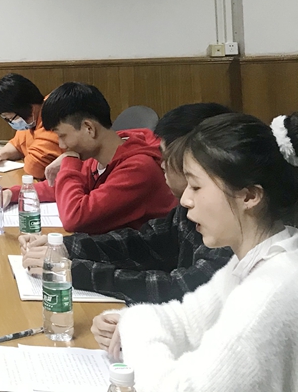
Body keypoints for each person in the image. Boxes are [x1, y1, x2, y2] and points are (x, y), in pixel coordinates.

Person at [92, 112, 298, 391]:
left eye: (196, 186)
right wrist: (128, 321)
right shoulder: (255, 260)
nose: (186, 200)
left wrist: (134, 329)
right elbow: (185, 322)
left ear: (249, 196)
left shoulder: (270, 291)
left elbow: (178, 388)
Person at [18, 103, 234, 303]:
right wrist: (65, 247)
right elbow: (145, 242)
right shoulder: (190, 208)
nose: (161, 165)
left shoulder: (229, 228)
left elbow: (180, 287)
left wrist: (73, 271)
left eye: (166, 158)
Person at [0, 82, 176, 234]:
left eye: (62, 136)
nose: (61, 145)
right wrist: (14, 193)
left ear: (88, 128)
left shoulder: (138, 168)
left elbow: (75, 218)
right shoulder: (100, 153)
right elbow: (59, 188)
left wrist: (69, 159)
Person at [0, 73, 62, 179]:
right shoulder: (33, 119)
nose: (10, 122)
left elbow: (34, 167)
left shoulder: (53, 116)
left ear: (30, 108)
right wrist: (0, 154)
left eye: (11, 118)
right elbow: (18, 144)